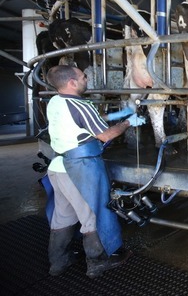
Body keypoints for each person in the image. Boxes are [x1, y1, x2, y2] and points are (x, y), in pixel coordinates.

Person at [45, 65, 146, 278]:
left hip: (57, 167)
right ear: (72, 82)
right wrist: (128, 122)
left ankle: (58, 261)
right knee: (92, 214)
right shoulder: (80, 104)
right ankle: (98, 261)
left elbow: (86, 122)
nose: (86, 79)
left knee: (63, 216)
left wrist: (119, 114)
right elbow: (106, 135)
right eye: (83, 76)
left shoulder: (55, 101)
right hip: (79, 168)